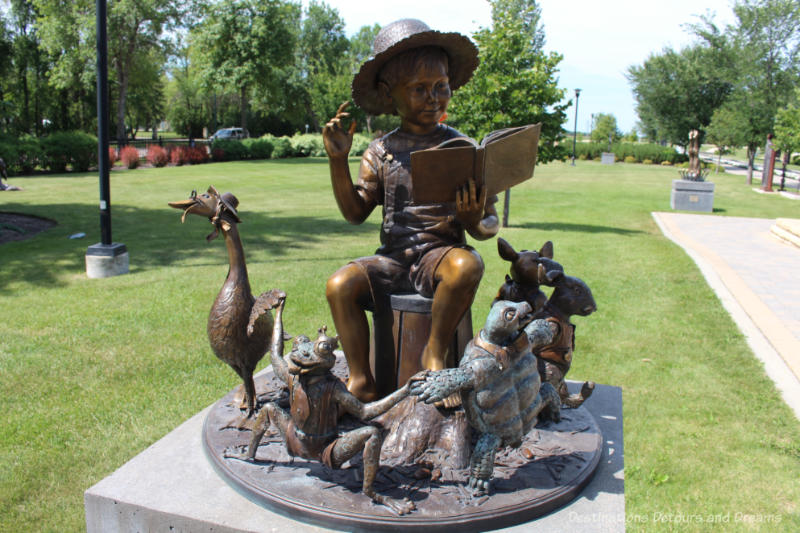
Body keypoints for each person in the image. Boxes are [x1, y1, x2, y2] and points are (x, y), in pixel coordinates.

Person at [322, 19, 498, 402]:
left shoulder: (463, 149)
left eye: (441, 86)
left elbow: (489, 223)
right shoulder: (381, 151)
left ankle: (434, 352)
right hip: (395, 260)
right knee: (340, 285)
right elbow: (355, 212)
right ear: (390, 94)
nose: (434, 98)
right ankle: (361, 379)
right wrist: (338, 161)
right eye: (419, 89)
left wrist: (473, 221)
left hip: (441, 255)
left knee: (468, 265)